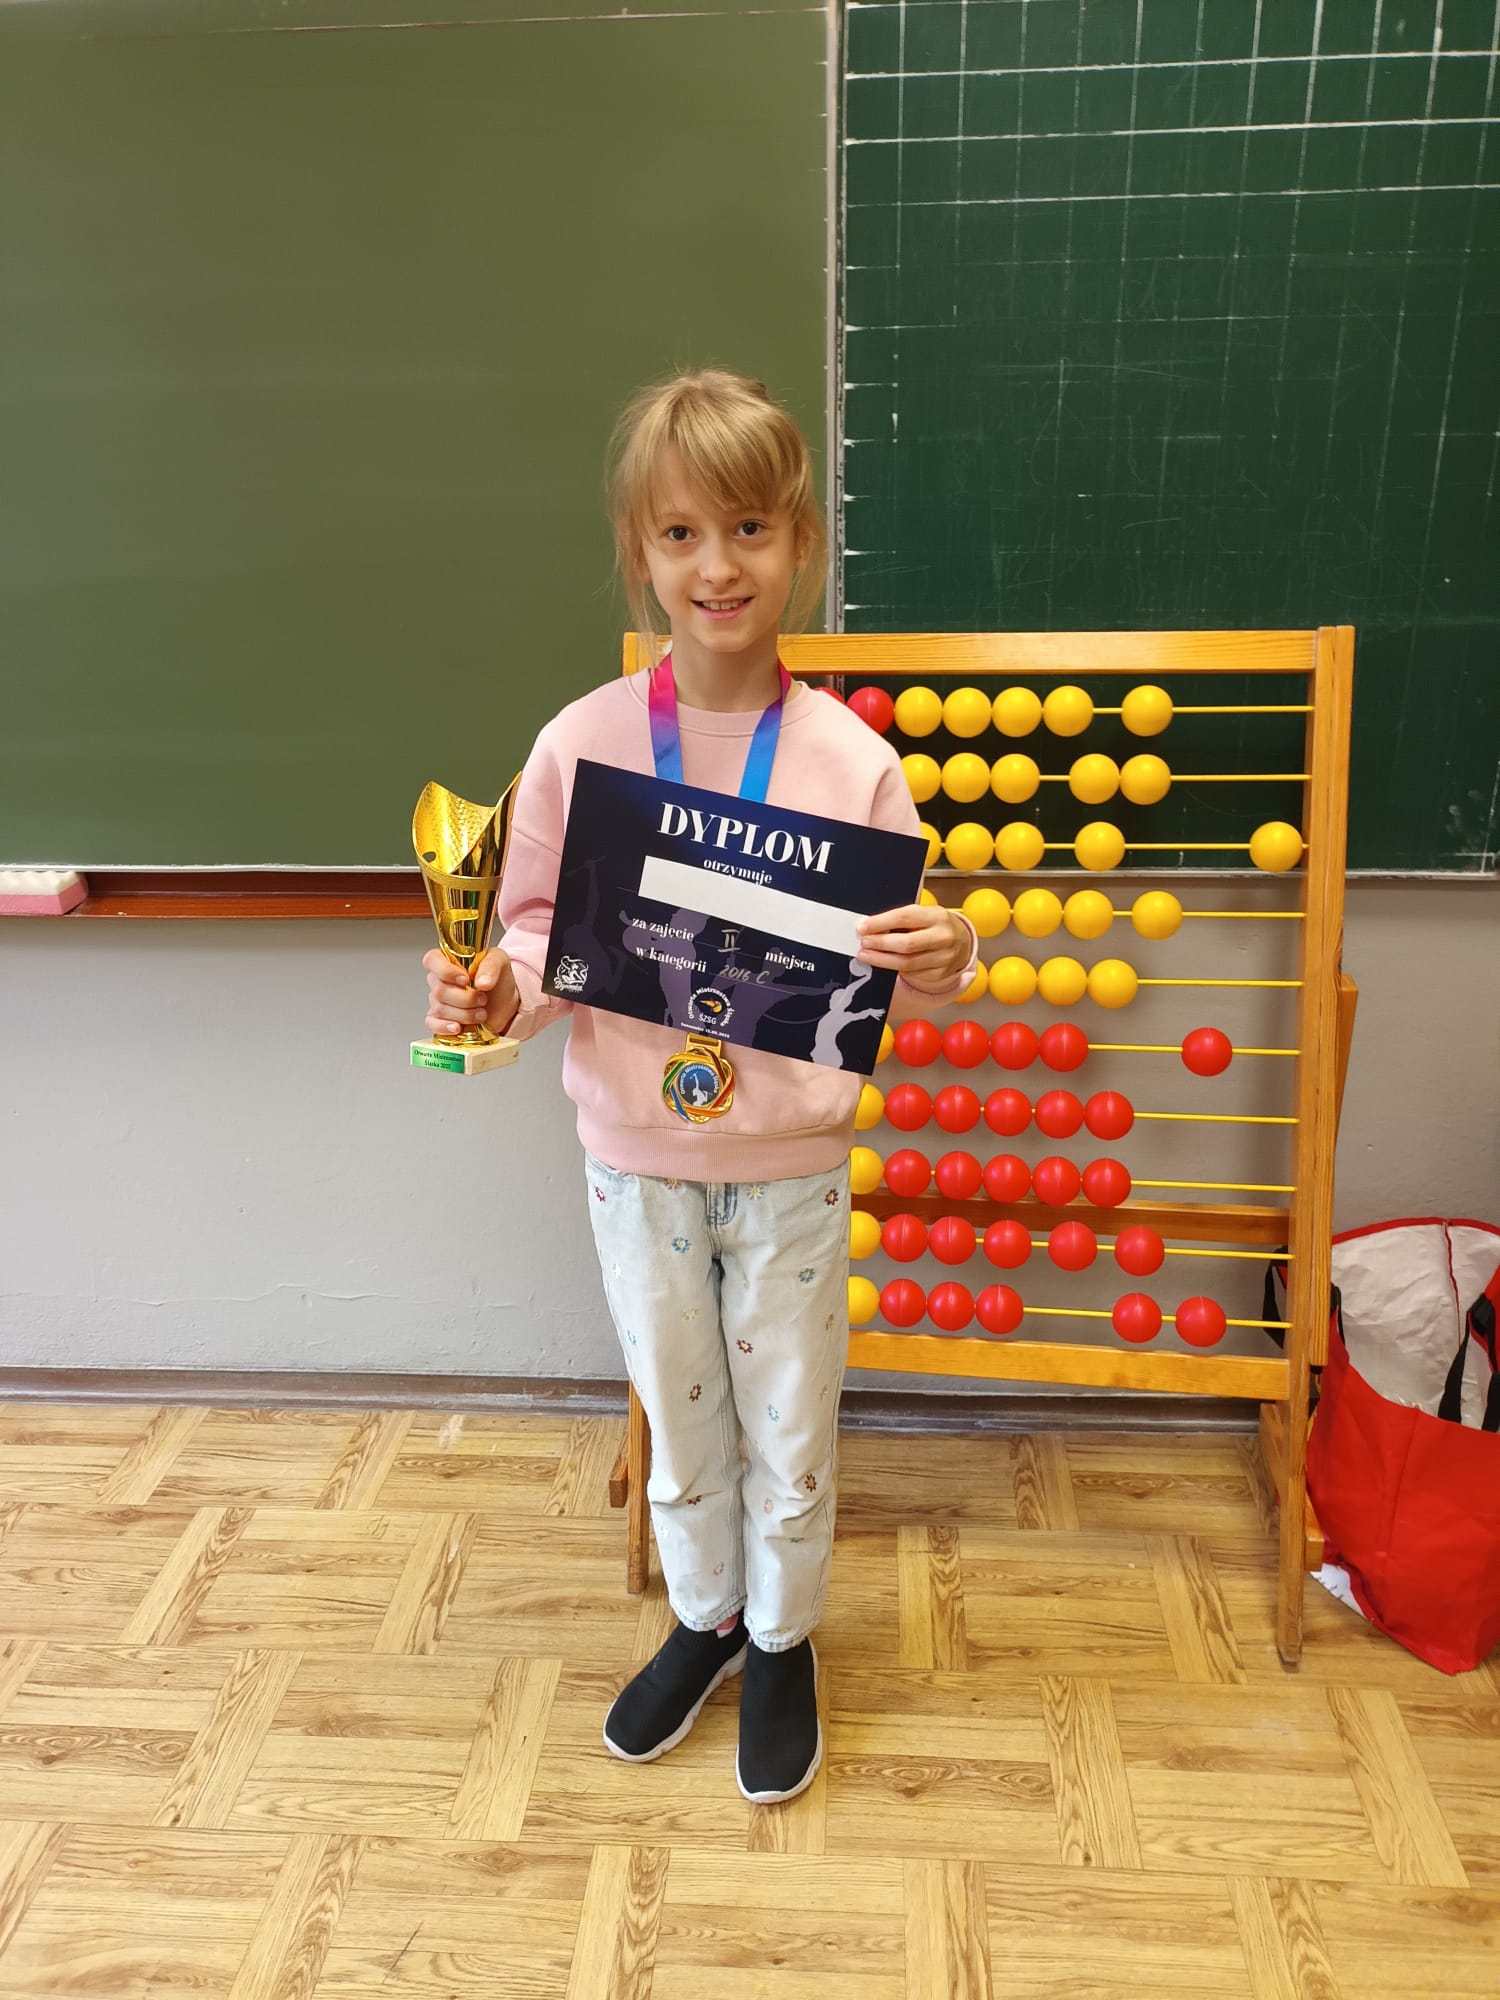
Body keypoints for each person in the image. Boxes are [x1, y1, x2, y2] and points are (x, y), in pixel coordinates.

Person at [423, 369, 976, 1804]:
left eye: (747, 528)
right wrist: (495, 989)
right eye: (680, 534)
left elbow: (900, 947)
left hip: (787, 1169)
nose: (717, 566)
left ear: (800, 542)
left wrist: (949, 951)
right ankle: (707, 1618)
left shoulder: (853, 763)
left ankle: (783, 1639)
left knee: (791, 1420)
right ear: (641, 553)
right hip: (637, 1160)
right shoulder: (584, 745)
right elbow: (535, 932)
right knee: (678, 1417)